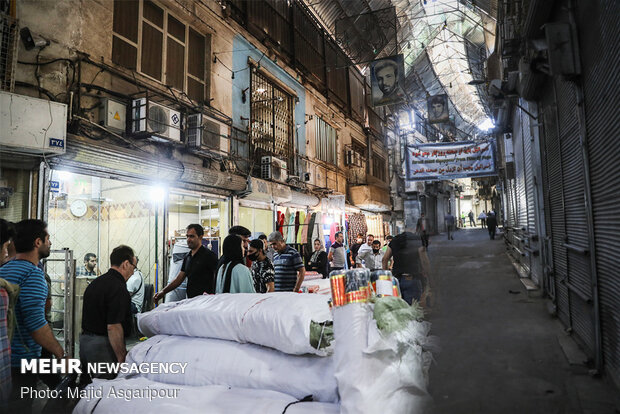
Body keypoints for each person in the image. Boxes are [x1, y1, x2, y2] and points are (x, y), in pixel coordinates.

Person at [0, 219, 66, 412]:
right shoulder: (33, 274)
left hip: (5, 359)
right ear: (38, 242)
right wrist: (60, 354)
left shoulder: (4, 269)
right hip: (22, 363)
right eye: (48, 238)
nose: (50, 243)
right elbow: (36, 323)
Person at [80, 245, 136, 379]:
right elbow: (113, 327)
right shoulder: (118, 288)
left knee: (88, 386)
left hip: (85, 343)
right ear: (126, 264)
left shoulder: (96, 283)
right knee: (104, 389)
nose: (133, 272)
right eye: (134, 267)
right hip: (102, 347)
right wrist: (121, 356)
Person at [154, 224, 218, 303]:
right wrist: (163, 292)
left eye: (192, 236)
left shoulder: (209, 256)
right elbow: (179, 279)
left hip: (205, 302)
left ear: (200, 237)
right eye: (187, 236)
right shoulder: (188, 257)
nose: (188, 239)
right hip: (191, 301)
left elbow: (217, 278)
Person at [382, 228, 423, 305]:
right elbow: (424, 260)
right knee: (411, 310)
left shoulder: (394, 241)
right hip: (412, 279)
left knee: (398, 309)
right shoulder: (416, 240)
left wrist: (387, 279)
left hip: (396, 281)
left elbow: (384, 259)